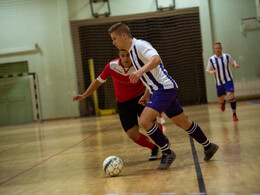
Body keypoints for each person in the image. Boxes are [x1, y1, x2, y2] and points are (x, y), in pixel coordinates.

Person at [108, 22, 219, 170]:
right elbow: (151, 73)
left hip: (164, 88)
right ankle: (208, 146)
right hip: (161, 89)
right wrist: (147, 92)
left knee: (145, 121)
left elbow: (156, 59)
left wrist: (140, 72)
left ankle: (167, 152)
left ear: (123, 36)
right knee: (182, 122)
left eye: (115, 38)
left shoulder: (139, 45)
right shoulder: (132, 51)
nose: (113, 42)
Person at [73, 49, 165, 161]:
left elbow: (150, 81)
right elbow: (98, 81)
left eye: (128, 56)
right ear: (119, 55)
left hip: (139, 99)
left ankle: (164, 148)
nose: (126, 59)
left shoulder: (139, 66)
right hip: (123, 103)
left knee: (152, 125)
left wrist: (147, 95)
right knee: (132, 134)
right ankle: (154, 148)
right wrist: (84, 95)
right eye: (123, 56)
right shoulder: (112, 66)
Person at [207, 42, 239, 121]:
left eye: (219, 48)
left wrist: (235, 65)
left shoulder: (227, 56)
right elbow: (208, 70)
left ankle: (234, 114)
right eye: (216, 48)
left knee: (231, 96)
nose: (218, 50)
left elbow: (233, 63)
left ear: (221, 48)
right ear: (214, 50)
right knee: (220, 100)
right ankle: (223, 103)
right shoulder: (211, 59)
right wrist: (212, 72)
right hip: (219, 82)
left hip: (228, 80)